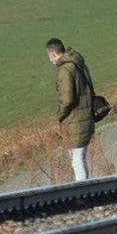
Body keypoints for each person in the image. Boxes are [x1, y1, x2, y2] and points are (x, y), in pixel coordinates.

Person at [45, 38, 96, 181]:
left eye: (50, 56)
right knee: (79, 158)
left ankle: (82, 191)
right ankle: (83, 189)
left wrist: (59, 115)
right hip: (85, 116)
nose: (50, 60)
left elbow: (67, 99)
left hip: (75, 120)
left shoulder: (65, 70)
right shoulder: (78, 64)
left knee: (77, 160)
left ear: (53, 54)